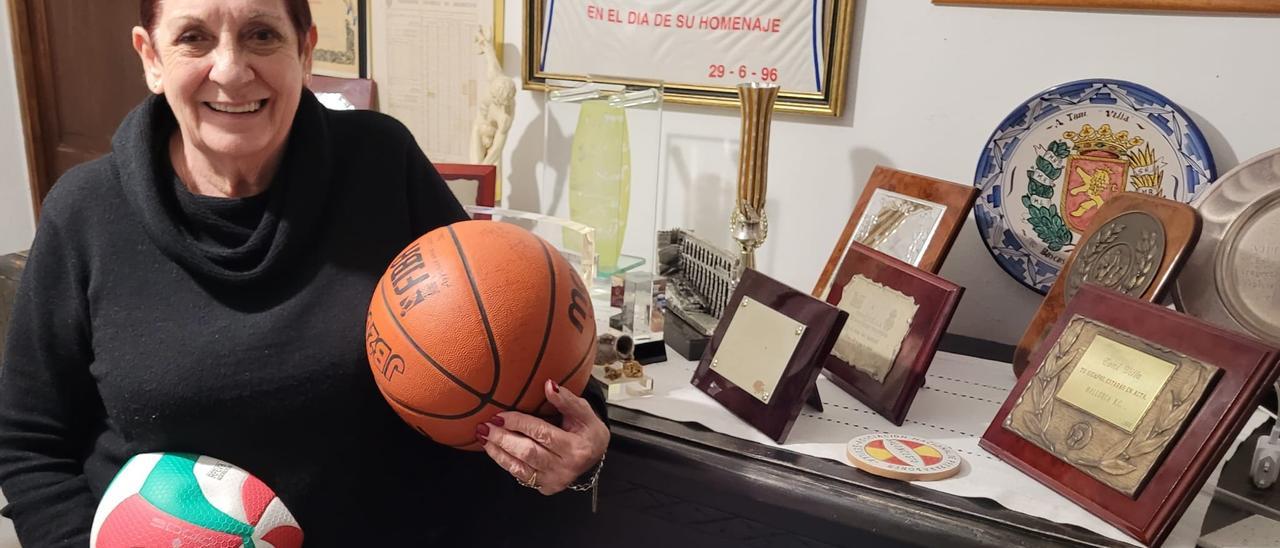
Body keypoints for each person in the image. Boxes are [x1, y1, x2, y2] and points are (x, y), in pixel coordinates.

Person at [0, 0, 609, 545]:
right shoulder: (85, 212)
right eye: (193, 38)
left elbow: (514, 337)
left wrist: (575, 444)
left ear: (306, 51)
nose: (232, 70)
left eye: (262, 35)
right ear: (151, 57)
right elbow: (30, 443)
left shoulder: (382, 165)